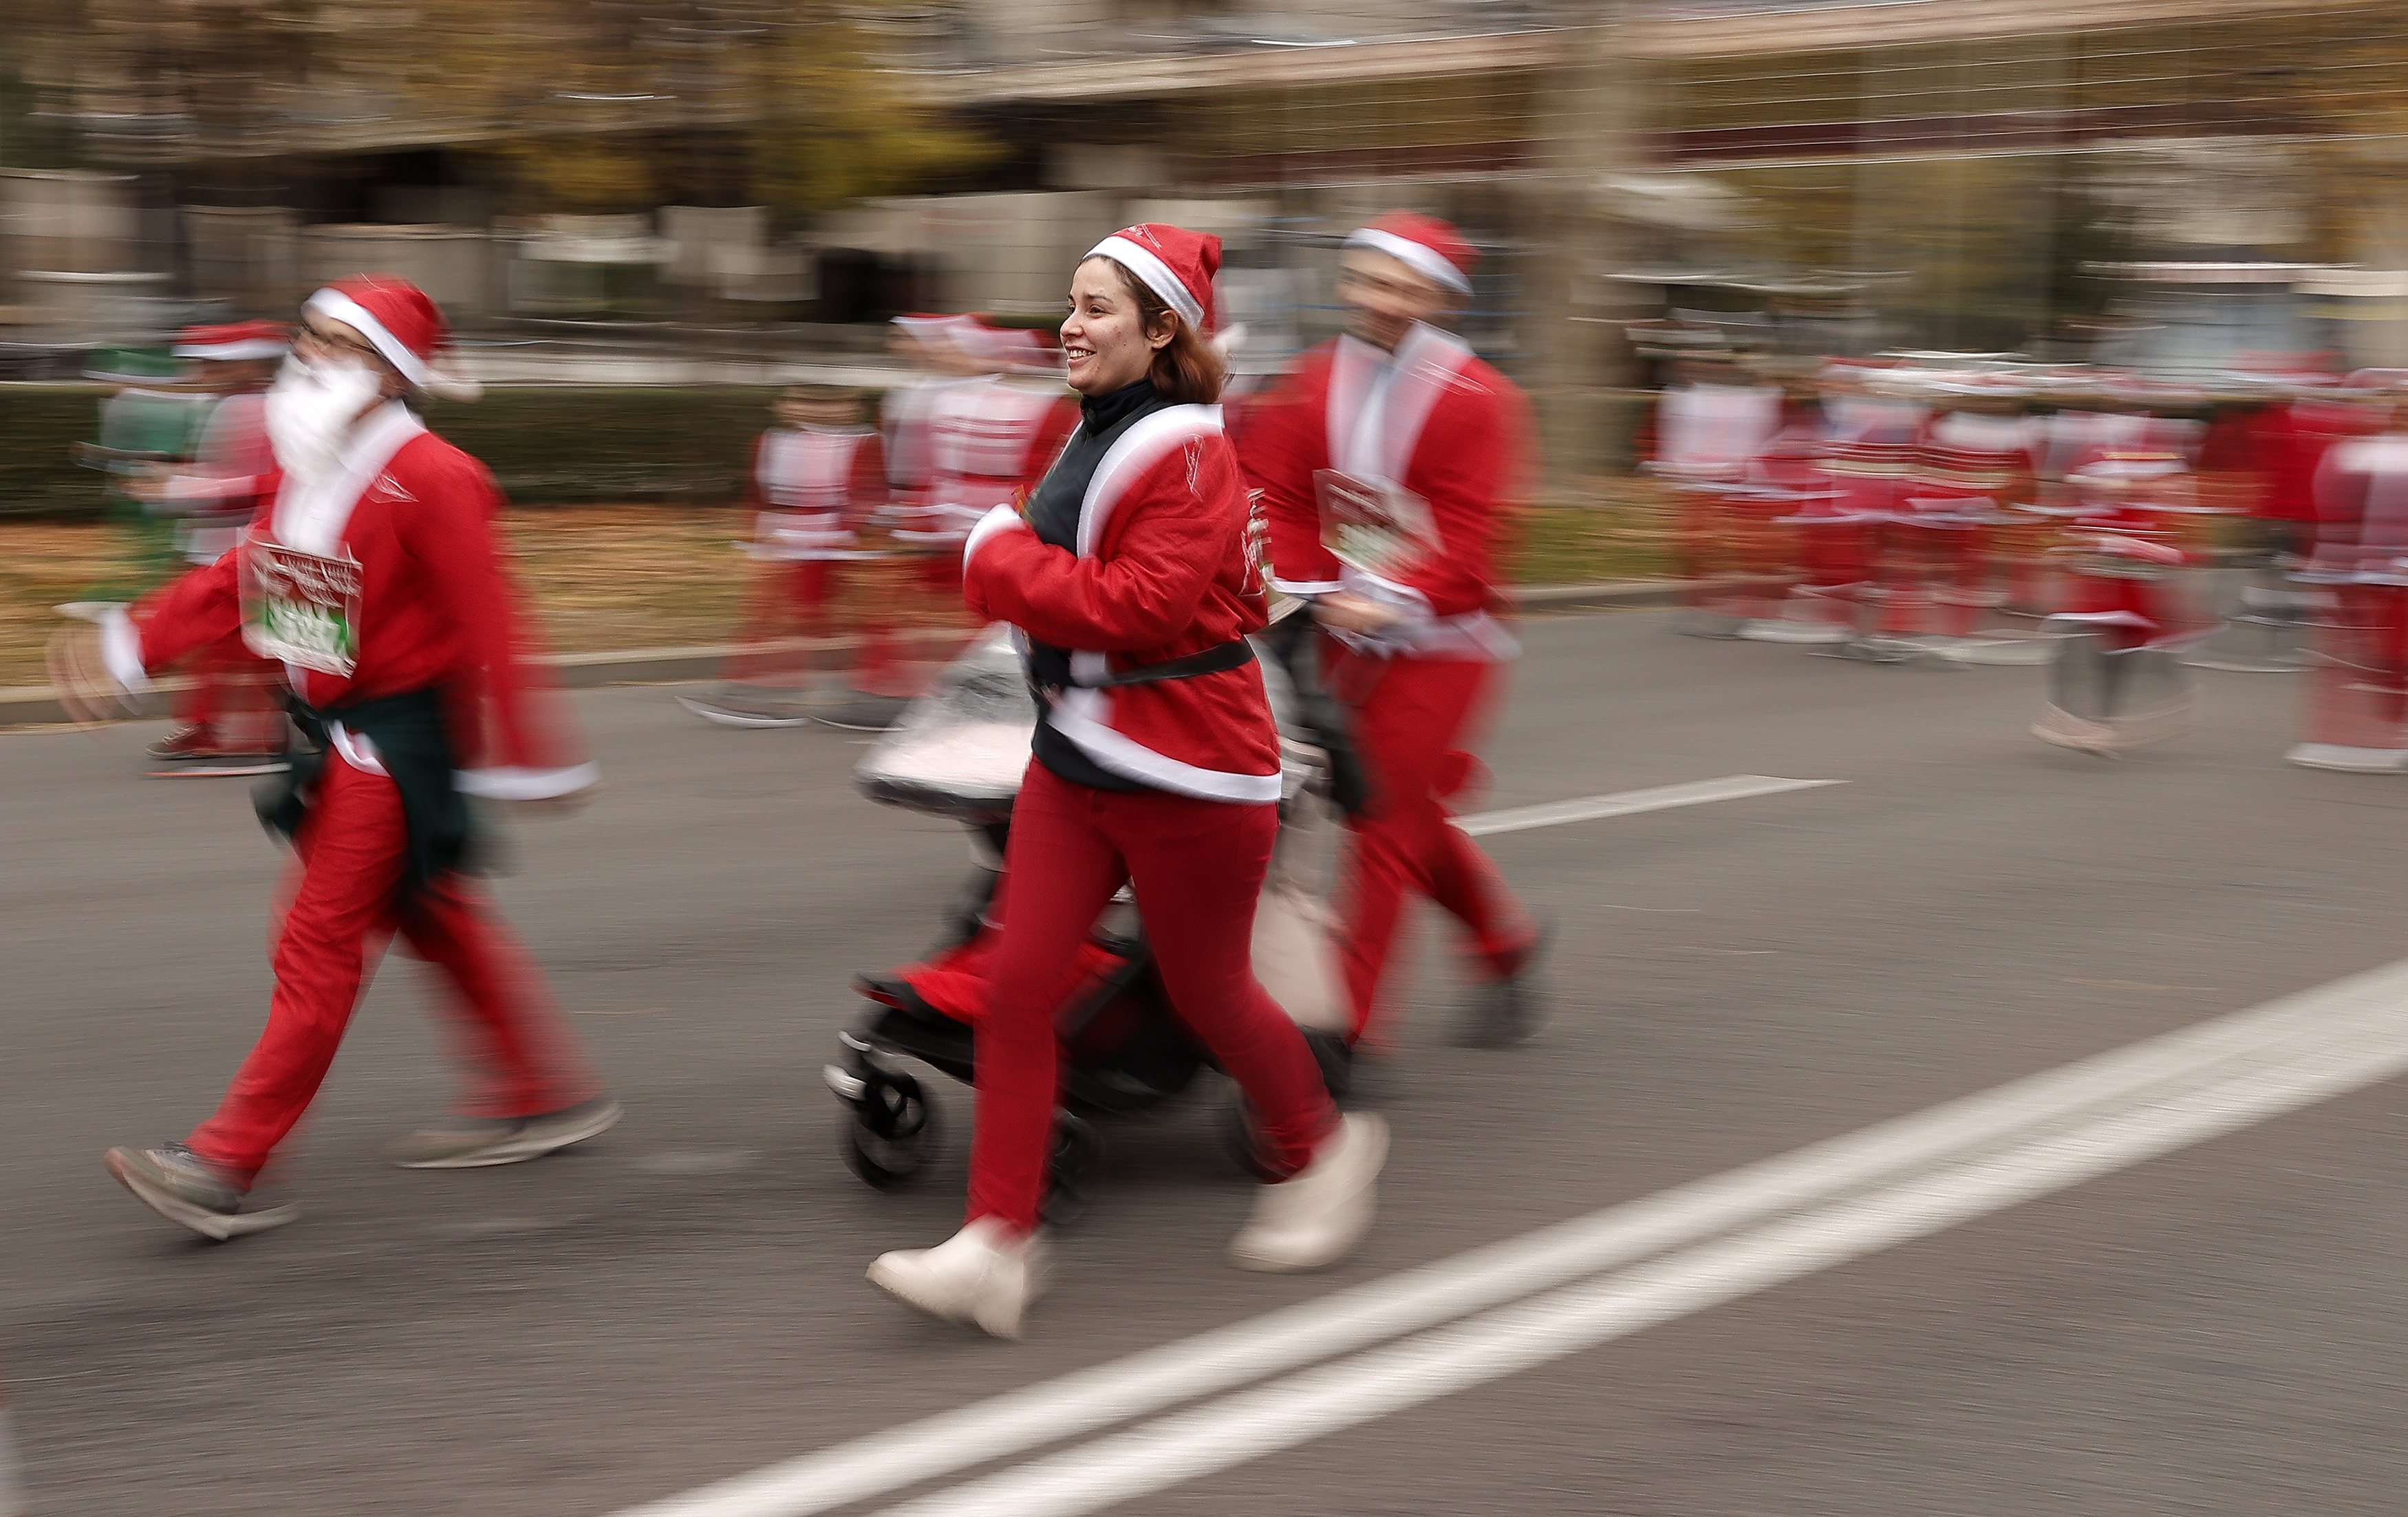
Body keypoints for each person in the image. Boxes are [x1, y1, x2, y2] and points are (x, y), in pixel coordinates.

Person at [866, 224, 1386, 1338]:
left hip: (1192, 770)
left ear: (1163, 331)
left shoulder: (1190, 452)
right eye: (1071, 301)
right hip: (1077, 752)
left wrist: (993, 558)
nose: (1070, 324)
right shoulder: (1098, 429)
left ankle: (1324, 1147)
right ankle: (996, 1247)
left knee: (1208, 996)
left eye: (1099, 307)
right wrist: (1010, 557)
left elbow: (1134, 608)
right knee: (1016, 990)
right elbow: (1078, 572)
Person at [48, 274, 619, 1240]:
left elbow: (495, 620)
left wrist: (527, 757)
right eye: (306, 336)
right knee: (432, 913)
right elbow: (247, 575)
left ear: (391, 373)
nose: (308, 354)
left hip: (388, 746)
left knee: (313, 945)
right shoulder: (309, 456)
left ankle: (227, 1162)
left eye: (335, 342)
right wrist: (131, 645)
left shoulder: (437, 476)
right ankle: (541, 1091)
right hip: (331, 730)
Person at [1243, 209, 1542, 1051]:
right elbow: (1273, 493)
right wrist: (1302, 583)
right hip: (1337, 628)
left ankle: (1344, 1032)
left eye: (1399, 286)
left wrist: (1391, 594)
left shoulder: (1480, 400)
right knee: (1391, 809)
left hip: (1444, 643)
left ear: (1437, 299)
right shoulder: (1308, 379)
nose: (1376, 300)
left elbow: (1474, 542)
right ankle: (1503, 941)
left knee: (1378, 825)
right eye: (1366, 280)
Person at [134, 321, 294, 775]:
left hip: (237, 549)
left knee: (231, 646)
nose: (200, 374)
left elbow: (238, 484)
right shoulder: (252, 403)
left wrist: (170, 490)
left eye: (209, 366)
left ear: (243, 363)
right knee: (241, 647)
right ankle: (232, 730)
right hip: (241, 547)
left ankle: (226, 731)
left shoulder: (244, 408)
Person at [680, 384, 890, 728]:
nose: (817, 410)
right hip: (789, 539)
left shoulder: (864, 442)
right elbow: (761, 491)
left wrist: (865, 532)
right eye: (803, 401)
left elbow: (874, 491)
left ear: (852, 407)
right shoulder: (772, 441)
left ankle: (878, 694)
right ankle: (756, 693)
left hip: (842, 542)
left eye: (832, 403)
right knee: (776, 618)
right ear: (783, 406)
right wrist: (758, 531)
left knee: (863, 619)